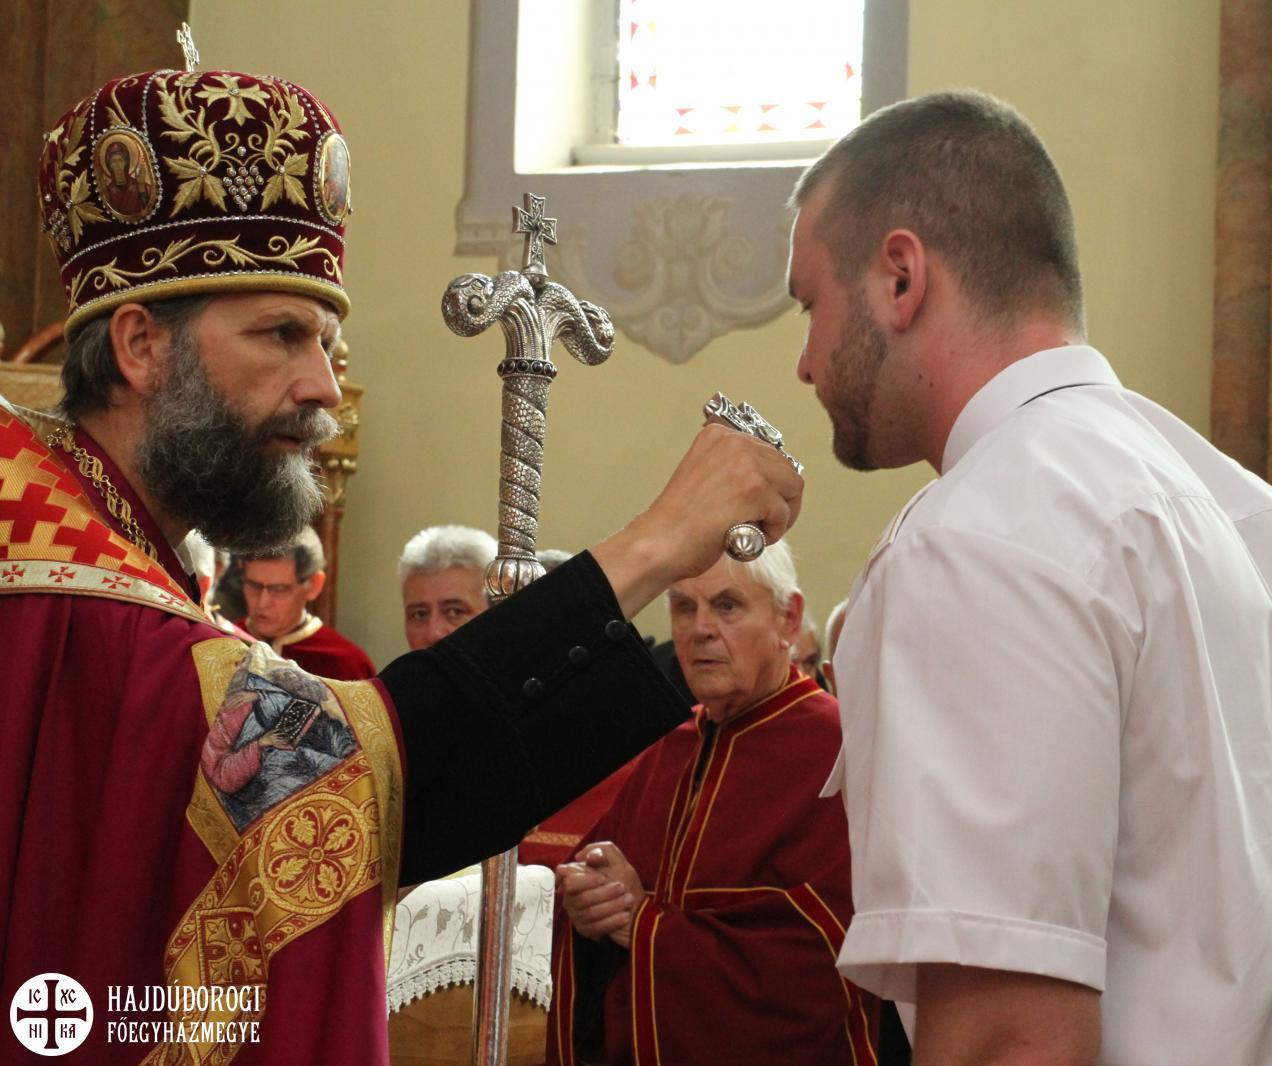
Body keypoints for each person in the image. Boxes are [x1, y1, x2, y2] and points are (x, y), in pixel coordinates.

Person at [1, 59, 800, 1064]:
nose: (322, 388)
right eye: (282, 334)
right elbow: (360, 775)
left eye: (325, 343)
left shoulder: (101, 538)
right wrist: (654, 543)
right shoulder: (70, 586)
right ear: (138, 346)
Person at [787, 90, 1272, 1063]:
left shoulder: (978, 539)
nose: (804, 362)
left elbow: (1009, 1039)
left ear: (900, 277)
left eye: (810, 304)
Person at [547, 543, 875, 1065]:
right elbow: (589, 903)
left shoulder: (838, 750)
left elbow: (826, 959)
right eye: (683, 607)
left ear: (789, 620)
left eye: (727, 605)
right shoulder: (670, 748)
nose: (699, 629)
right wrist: (588, 907)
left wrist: (641, 924)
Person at [242, 526, 375, 679]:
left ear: (314, 585)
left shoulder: (347, 664)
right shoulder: (225, 642)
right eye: (253, 585)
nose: (262, 603)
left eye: (279, 589)